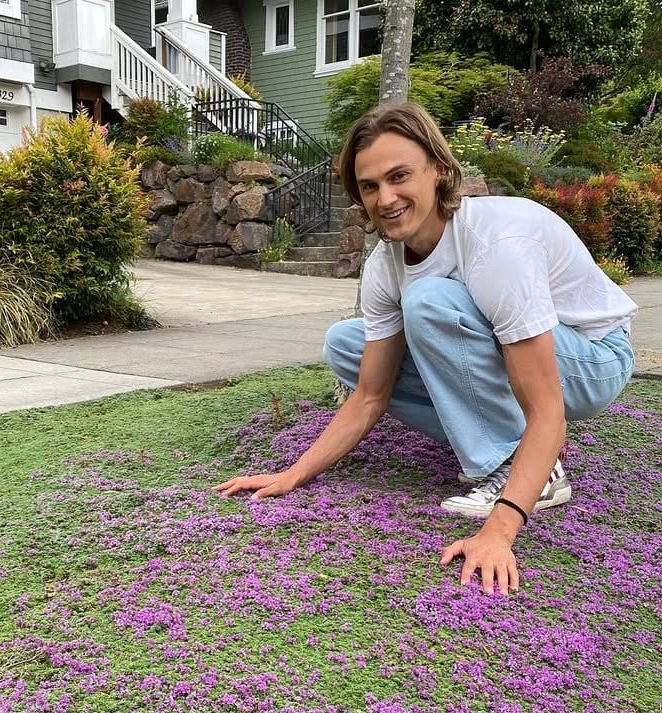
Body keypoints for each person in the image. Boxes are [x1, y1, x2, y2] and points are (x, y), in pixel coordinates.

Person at [215, 102, 637, 596]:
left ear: (438, 169)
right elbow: (370, 396)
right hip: (523, 353)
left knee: (430, 301)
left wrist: (499, 532)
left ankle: (529, 475)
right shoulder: (386, 263)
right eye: (369, 186)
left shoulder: (496, 245)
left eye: (399, 176)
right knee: (347, 344)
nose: (386, 198)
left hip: (593, 359)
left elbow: (548, 410)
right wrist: (294, 474)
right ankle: (510, 454)